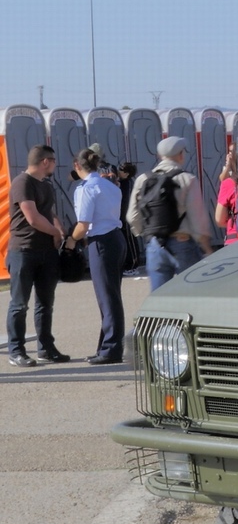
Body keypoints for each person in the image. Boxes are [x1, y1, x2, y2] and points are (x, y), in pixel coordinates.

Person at [6, 145, 69, 367]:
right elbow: (32, 217)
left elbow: (47, 212)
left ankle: (46, 348)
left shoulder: (45, 184)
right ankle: (16, 350)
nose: (54, 165)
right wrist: (54, 232)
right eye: (53, 161)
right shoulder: (23, 183)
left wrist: (59, 229)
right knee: (19, 304)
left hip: (46, 251)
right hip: (24, 250)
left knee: (45, 303)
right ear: (45, 161)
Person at [126, 136, 214, 289]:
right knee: (192, 295)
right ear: (181, 154)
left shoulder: (143, 179)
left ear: (160, 156)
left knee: (159, 299)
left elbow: (132, 216)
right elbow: (197, 219)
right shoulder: (188, 179)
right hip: (183, 243)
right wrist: (206, 247)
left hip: (154, 245)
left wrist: (146, 233)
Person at [67, 147, 127, 365]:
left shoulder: (85, 188)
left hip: (101, 241)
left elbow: (83, 225)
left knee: (107, 298)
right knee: (110, 295)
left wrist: (71, 240)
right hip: (116, 238)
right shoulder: (109, 185)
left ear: (77, 166)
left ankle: (111, 348)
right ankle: (106, 346)